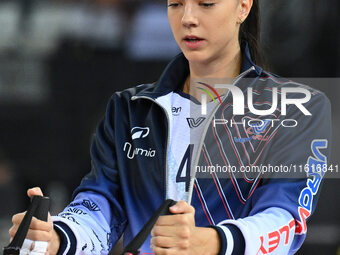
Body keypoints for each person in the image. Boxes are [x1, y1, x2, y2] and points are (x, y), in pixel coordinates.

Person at [9, 0, 331, 254]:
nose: (187, 18)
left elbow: (286, 219)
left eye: (206, 4)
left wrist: (212, 242)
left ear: (243, 7)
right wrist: (58, 237)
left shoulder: (299, 107)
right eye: (175, 4)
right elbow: (101, 205)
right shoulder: (129, 108)